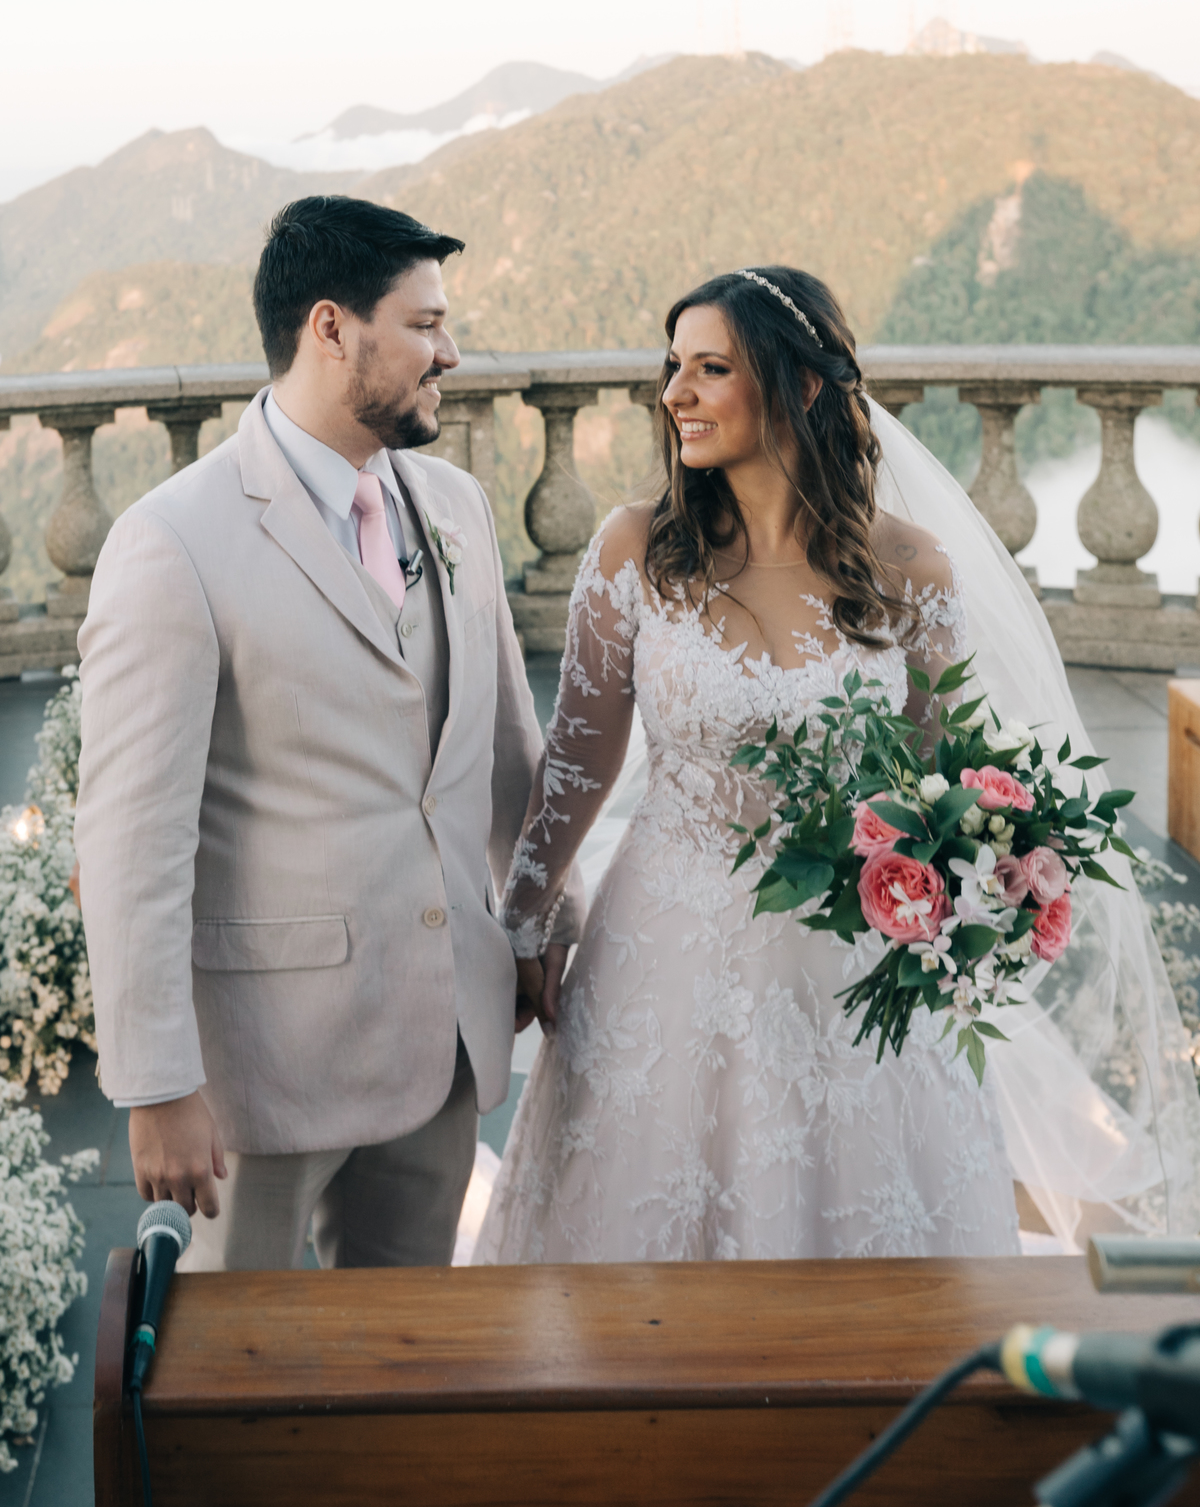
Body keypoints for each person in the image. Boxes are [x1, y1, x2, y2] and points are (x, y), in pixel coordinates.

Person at [476, 266, 1200, 1264]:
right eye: (673, 366)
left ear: (803, 385)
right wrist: (524, 919)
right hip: (663, 950)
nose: (675, 393)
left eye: (711, 368)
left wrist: (982, 881)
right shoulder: (636, 549)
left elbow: (942, 781)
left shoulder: (911, 572)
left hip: (853, 960)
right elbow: (577, 758)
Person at [75, 194, 580, 1270]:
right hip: (263, 1073)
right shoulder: (172, 542)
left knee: (406, 1356)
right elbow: (131, 841)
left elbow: (503, 748)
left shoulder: (456, 506)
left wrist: (537, 920)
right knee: (234, 1365)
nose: (451, 352)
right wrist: (157, 1084)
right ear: (331, 329)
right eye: (425, 324)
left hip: (443, 1048)